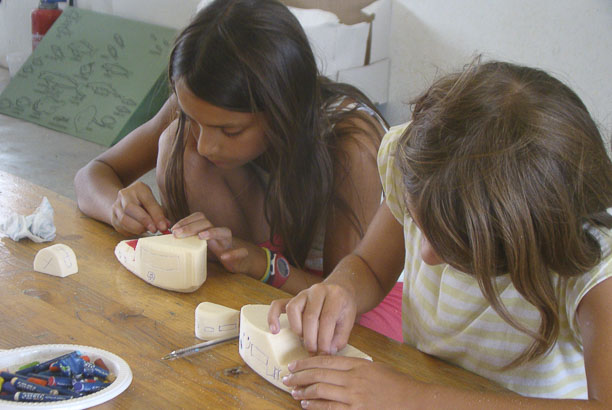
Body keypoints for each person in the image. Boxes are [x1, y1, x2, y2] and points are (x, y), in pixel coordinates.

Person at [268, 60, 612, 407]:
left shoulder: (593, 264)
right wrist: (340, 289)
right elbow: (370, 267)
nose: (425, 256)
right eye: (417, 224)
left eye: (455, 246)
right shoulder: (425, 166)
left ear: (521, 238)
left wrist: (413, 398)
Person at [74, 0, 402, 340]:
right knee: (177, 141)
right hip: (255, 259)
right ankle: (229, 291)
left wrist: (264, 264)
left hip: (335, 298)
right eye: (197, 121)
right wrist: (118, 206)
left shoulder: (351, 144)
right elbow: (91, 175)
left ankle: (240, 286)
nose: (205, 144)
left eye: (230, 132)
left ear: (281, 109)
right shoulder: (202, 101)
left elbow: (339, 301)